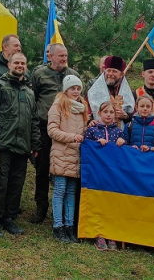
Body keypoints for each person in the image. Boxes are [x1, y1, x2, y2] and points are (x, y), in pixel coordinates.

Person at [0, 52, 41, 237]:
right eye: (17, 62)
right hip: (2, 145)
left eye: (23, 63)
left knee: (17, 184)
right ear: (9, 64)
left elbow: (34, 120)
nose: (20, 65)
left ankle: (9, 218)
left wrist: (35, 144)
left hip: (22, 147)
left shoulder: (29, 92)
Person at [29, 43, 81, 224]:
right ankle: (41, 207)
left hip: (68, 132)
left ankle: (66, 213)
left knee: (67, 170)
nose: (64, 59)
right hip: (45, 129)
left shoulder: (73, 76)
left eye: (66, 56)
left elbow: (80, 102)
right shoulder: (39, 74)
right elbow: (32, 101)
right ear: (49, 56)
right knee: (42, 170)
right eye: (60, 56)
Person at [47, 75, 89, 243]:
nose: (76, 91)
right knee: (60, 191)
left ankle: (70, 226)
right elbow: (52, 130)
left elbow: (84, 129)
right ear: (66, 90)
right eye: (73, 88)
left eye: (78, 88)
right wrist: (72, 137)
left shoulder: (82, 108)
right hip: (61, 154)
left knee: (71, 192)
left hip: (76, 156)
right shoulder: (57, 106)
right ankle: (58, 226)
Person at [84, 101, 126, 250]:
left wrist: (123, 142)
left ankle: (112, 235)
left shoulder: (119, 132)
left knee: (112, 204)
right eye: (105, 112)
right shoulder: (93, 130)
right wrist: (96, 143)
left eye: (111, 112)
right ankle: (99, 235)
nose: (108, 115)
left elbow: (125, 152)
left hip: (114, 176)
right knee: (99, 203)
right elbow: (85, 146)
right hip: (97, 175)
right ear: (99, 114)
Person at [87, 55, 135, 127]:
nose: (110, 74)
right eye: (108, 70)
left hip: (120, 134)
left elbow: (135, 115)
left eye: (114, 71)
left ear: (121, 74)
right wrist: (90, 121)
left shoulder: (127, 93)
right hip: (98, 133)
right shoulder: (93, 91)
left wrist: (126, 116)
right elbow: (86, 111)